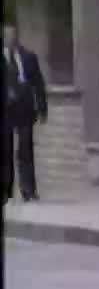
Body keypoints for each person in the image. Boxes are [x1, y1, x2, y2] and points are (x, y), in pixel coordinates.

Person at [3, 22, 47, 203]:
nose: (11, 38)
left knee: (26, 150)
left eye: (13, 34)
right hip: (5, 110)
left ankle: (29, 190)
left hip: (25, 108)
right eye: (7, 35)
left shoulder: (28, 57)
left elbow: (38, 83)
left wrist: (42, 108)